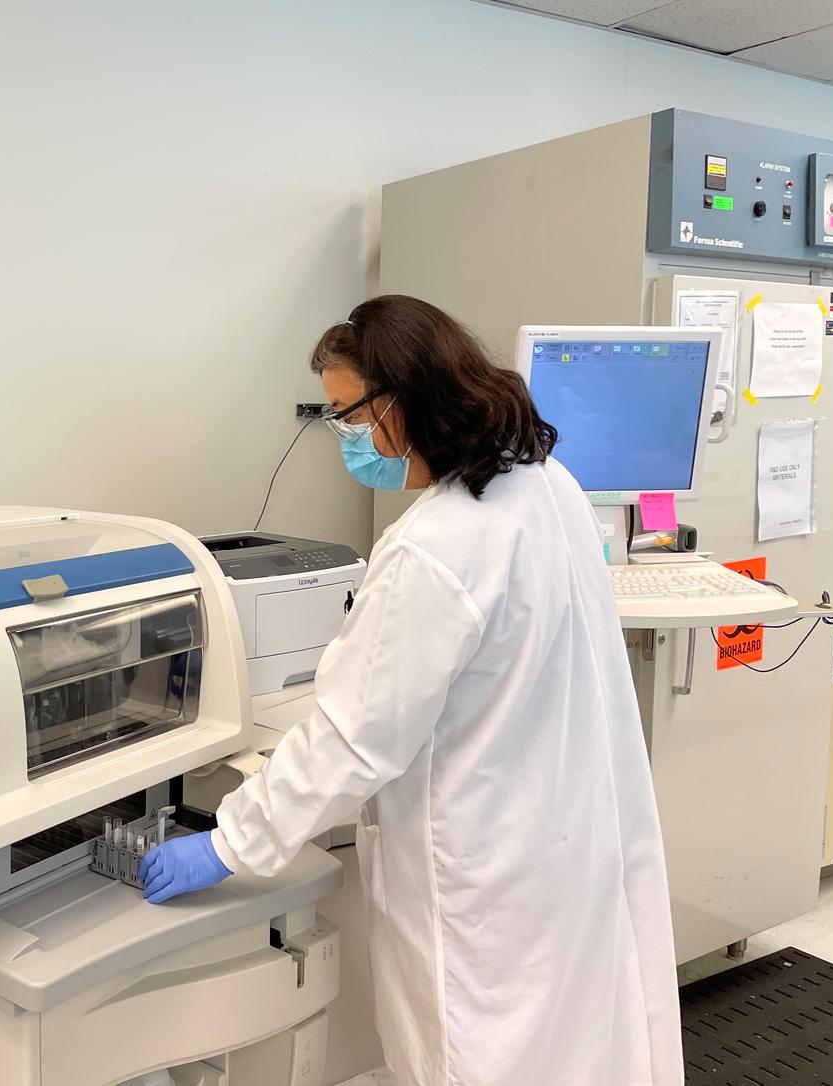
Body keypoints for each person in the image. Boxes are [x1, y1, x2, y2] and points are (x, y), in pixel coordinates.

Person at [139, 295, 683, 1085]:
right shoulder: (547, 484)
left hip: (482, 871)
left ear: (399, 398)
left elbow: (352, 741)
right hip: (564, 835)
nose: (345, 437)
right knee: (574, 1047)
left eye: (345, 413)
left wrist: (229, 843)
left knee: (475, 1054)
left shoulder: (433, 548)